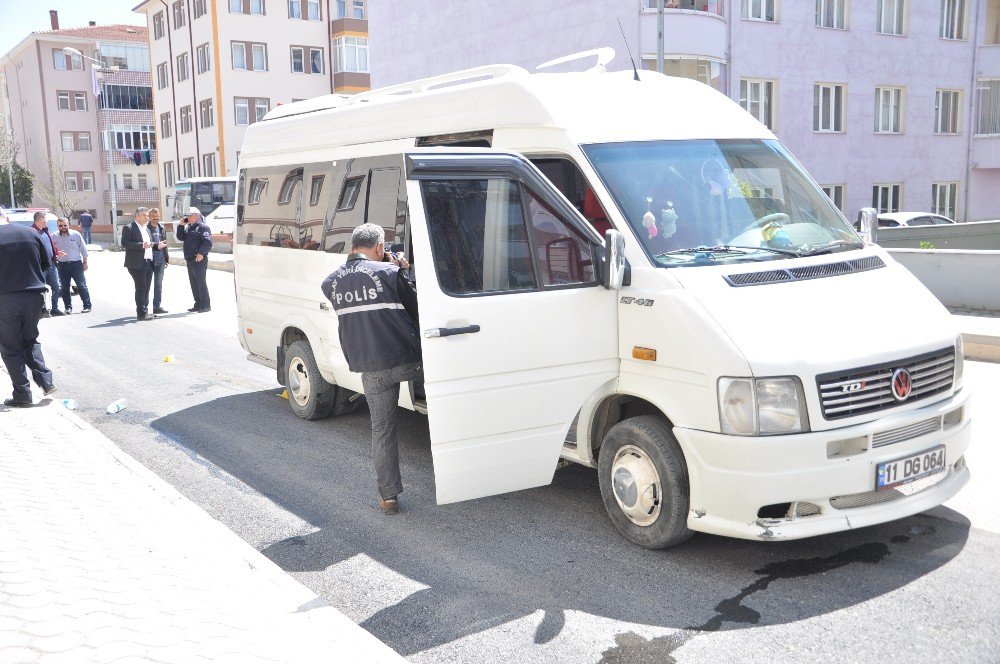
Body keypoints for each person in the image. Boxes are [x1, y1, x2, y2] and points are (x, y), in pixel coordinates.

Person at [321, 223, 421, 515]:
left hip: (371, 368)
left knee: (383, 432)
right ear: (379, 247)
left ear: (353, 247)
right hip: (408, 361)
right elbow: (418, 309)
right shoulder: (390, 273)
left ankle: (388, 498)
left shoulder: (331, 282)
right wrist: (403, 270)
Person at [0, 213, 56, 406]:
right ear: (5, 217)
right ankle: (46, 381)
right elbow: (46, 263)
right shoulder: (30, 233)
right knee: (30, 340)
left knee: (10, 347)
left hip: (5, 298)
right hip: (34, 295)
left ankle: (23, 394)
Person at [121, 207, 157, 321]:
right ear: (136, 216)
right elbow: (125, 243)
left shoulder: (147, 228)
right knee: (141, 287)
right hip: (136, 263)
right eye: (144, 215)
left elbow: (149, 244)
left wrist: (157, 245)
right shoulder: (129, 227)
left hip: (148, 261)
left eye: (147, 215)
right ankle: (141, 313)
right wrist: (142, 245)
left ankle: (145, 311)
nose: (147, 218)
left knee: (146, 288)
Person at [52, 218, 92, 314]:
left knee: (81, 286)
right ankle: (68, 308)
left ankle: (87, 306)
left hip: (76, 264)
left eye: (65, 225)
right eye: (60, 225)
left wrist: (85, 262)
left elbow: (84, 250)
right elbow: (52, 251)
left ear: (68, 224)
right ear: (58, 226)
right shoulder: (54, 236)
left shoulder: (76, 234)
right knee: (65, 288)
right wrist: (57, 255)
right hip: (62, 265)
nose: (63, 227)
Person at [176, 206, 212, 313]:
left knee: (200, 282)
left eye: (190, 216)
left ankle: (205, 305)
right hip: (190, 259)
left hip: (199, 258)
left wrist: (201, 253)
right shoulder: (189, 227)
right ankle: (198, 304)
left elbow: (207, 243)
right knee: (193, 283)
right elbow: (180, 237)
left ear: (197, 216)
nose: (187, 218)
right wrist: (181, 226)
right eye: (187, 216)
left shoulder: (203, 227)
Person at [32, 211, 66, 317]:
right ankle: (43, 310)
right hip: (40, 266)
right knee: (41, 289)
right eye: (46, 219)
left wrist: (57, 252)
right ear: (41, 219)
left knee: (55, 287)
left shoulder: (46, 231)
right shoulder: (32, 232)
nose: (47, 221)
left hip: (51, 265)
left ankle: (54, 308)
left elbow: (51, 245)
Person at [148, 208, 170, 314]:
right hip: (148, 260)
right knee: (146, 285)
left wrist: (166, 259)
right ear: (149, 216)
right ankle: (144, 307)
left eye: (157, 216)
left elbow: (165, 245)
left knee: (158, 284)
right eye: (153, 215)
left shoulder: (162, 228)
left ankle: (156, 306)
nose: (155, 217)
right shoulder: (145, 228)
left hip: (160, 260)